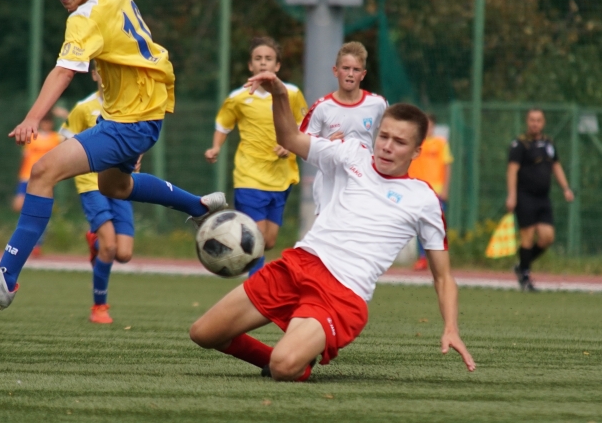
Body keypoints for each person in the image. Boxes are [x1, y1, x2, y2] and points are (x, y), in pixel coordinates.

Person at [0, 0, 225, 309]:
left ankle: (6, 277)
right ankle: (199, 206)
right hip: (144, 111)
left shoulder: (84, 18)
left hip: (129, 122)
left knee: (42, 172)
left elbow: (64, 73)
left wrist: (33, 117)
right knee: (114, 186)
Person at [189, 70, 475, 382]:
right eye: (384, 136)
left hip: (342, 293)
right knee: (203, 333)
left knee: (284, 367)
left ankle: (293, 361)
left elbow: (444, 277)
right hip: (298, 265)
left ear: (417, 151)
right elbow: (289, 139)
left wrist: (451, 328)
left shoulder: (424, 199)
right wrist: (280, 95)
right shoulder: (352, 153)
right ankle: (291, 357)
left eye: (400, 141)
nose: (388, 146)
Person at [204, 37, 307, 277]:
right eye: (258, 59)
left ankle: (251, 276)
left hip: (281, 176)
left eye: (268, 59)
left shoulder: (291, 94)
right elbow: (224, 125)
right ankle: (255, 293)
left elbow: (304, 125)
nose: (263, 63)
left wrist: (291, 147)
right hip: (249, 176)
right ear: (251, 66)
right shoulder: (239, 97)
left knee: (268, 241)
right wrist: (215, 147)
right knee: (256, 238)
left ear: (277, 66)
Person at [59, 71, 136, 324]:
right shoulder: (84, 108)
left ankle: (95, 242)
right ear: (95, 75)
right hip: (91, 184)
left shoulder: (128, 107)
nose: (108, 75)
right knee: (110, 247)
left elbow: (139, 140)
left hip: (120, 182)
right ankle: (99, 307)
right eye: (102, 70)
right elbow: (65, 141)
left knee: (123, 254)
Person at [299, 42, 387, 216]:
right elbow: (302, 146)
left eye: (356, 70)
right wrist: (326, 145)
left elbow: (389, 134)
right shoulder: (322, 107)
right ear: (335, 71)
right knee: (328, 236)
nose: (350, 74)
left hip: (364, 179)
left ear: (363, 75)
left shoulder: (378, 104)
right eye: (345, 68)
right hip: (329, 181)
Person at [506, 108, 574, 291]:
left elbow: (556, 166)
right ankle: (526, 276)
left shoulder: (548, 144)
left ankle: (521, 265)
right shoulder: (519, 144)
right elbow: (512, 171)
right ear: (527, 122)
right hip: (525, 196)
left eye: (538, 120)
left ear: (543, 123)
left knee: (547, 237)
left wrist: (566, 188)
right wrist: (512, 195)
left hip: (543, 198)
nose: (535, 123)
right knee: (527, 237)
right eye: (531, 120)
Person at [12, 111, 64, 257]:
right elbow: (25, 158)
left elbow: (72, 132)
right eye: (44, 121)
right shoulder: (32, 138)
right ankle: (25, 239)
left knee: (39, 210)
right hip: (26, 176)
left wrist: (63, 114)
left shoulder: (55, 138)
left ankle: (36, 244)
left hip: (44, 178)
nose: (46, 124)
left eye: (49, 122)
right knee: (19, 206)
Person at [407, 113, 453, 270]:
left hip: (436, 191)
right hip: (417, 190)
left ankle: (439, 258)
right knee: (419, 225)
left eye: (430, 125)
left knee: (437, 226)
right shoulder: (414, 143)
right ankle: (422, 258)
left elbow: (447, 166)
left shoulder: (440, 144)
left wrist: (446, 189)